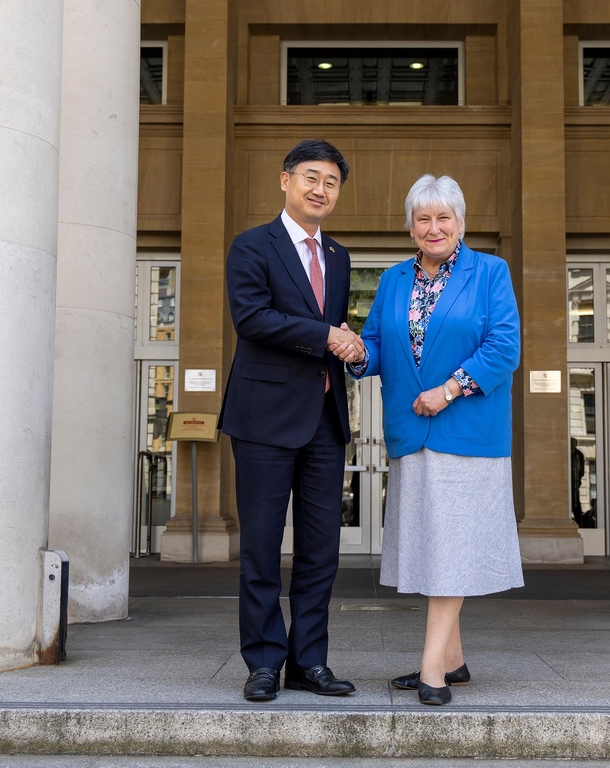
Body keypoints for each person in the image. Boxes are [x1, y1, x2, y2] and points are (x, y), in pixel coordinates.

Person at [348, 174, 524, 705]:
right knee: (432, 547)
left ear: (461, 223)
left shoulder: (490, 272)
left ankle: (432, 670)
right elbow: (378, 346)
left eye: (443, 217)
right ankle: (454, 659)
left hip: (466, 434)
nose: (433, 227)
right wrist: (355, 352)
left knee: (449, 551)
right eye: (423, 219)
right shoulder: (393, 280)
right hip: (411, 433)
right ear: (409, 227)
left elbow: (504, 346)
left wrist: (448, 390)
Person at [218, 139, 365, 702]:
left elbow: (330, 324)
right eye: (311, 177)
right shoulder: (252, 246)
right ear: (285, 180)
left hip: (325, 421)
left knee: (320, 551)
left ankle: (309, 661)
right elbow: (252, 318)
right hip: (263, 420)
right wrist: (326, 334)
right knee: (259, 548)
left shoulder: (339, 256)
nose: (320, 189)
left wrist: (347, 342)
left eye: (331, 182)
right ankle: (262, 661)